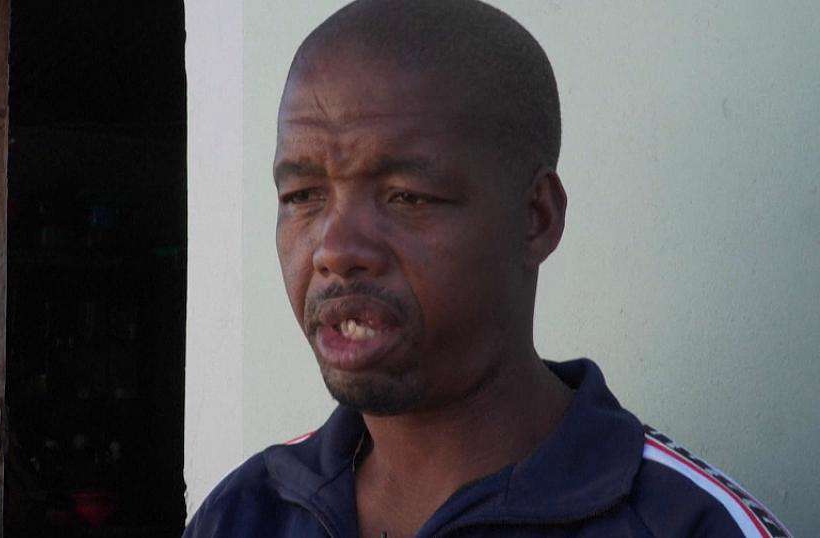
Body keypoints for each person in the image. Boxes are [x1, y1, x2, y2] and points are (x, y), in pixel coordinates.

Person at [184, 1, 791, 536]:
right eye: (302, 197)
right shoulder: (245, 512)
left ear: (536, 218)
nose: (334, 249)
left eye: (406, 196)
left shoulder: (689, 524)